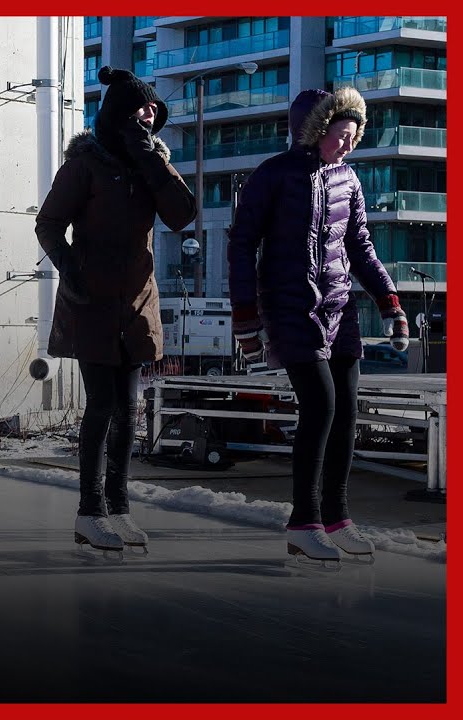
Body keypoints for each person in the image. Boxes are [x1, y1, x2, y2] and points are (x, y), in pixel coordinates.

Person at [228, 86, 406, 565]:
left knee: (346, 410)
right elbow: (242, 245)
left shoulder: (348, 179)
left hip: (339, 307)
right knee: (321, 405)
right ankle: (304, 522)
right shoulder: (274, 175)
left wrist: (390, 302)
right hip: (290, 306)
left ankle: (337, 518)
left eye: (353, 137)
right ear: (314, 131)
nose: (347, 145)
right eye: (339, 135)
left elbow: (361, 247)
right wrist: (245, 316)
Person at [34, 66, 197, 556]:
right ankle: (90, 513)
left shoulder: (150, 162)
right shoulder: (86, 165)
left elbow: (182, 214)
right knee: (102, 406)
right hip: (92, 301)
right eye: (142, 107)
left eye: (154, 109)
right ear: (120, 112)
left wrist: (151, 158)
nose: (150, 114)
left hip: (137, 303)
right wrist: (71, 269)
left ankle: (120, 508)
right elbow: (48, 224)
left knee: (129, 411)